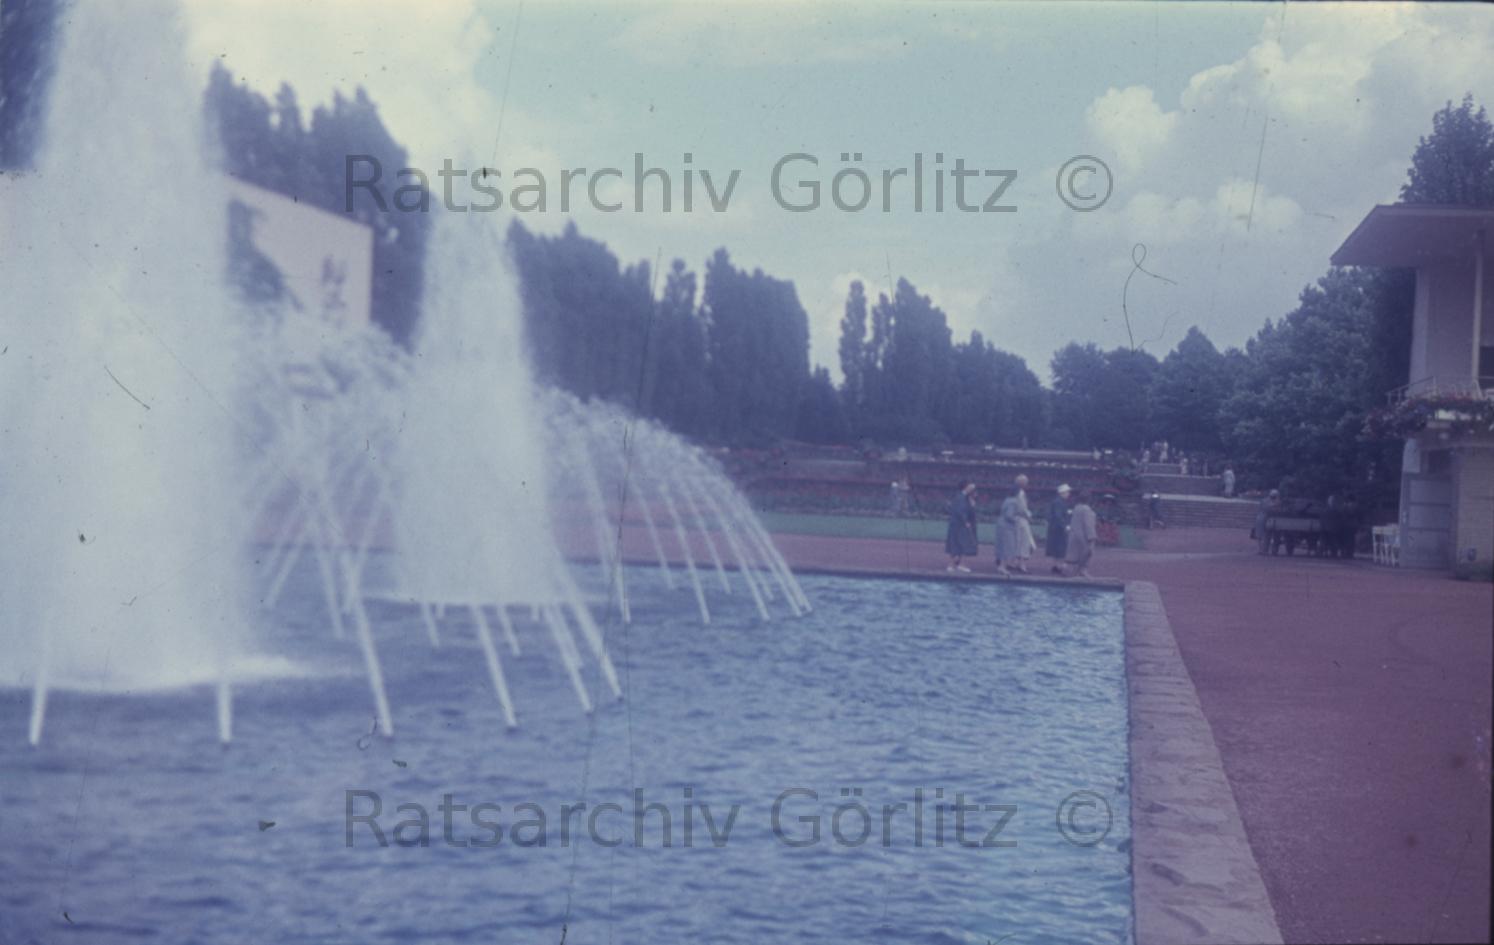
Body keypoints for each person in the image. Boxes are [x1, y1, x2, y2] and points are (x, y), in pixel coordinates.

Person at [1063, 490, 1099, 578]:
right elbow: (1089, 525)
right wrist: (1092, 538)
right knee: (1086, 555)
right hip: (1084, 537)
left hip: (1074, 536)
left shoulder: (1076, 508)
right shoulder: (1087, 510)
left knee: (1074, 557)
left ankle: (1072, 573)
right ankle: (1082, 572)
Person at [945, 482, 978, 572]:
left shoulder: (966, 497)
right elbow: (960, 511)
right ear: (966, 487)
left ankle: (958, 564)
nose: (973, 490)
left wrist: (972, 504)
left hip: (960, 524)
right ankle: (952, 565)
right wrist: (965, 521)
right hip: (958, 525)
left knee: (961, 544)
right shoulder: (960, 497)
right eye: (971, 487)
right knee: (956, 543)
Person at [1046, 484, 1073, 574]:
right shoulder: (1059, 502)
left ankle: (1056, 565)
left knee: (1057, 548)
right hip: (1058, 529)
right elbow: (1058, 516)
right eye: (1067, 492)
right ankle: (1058, 566)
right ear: (1062, 493)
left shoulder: (1060, 502)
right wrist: (1065, 526)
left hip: (1056, 528)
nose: (1069, 493)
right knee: (1060, 548)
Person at [1254, 489, 1280, 555]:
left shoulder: (1276, 501)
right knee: (1263, 535)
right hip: (1263, 519)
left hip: (1271, 520)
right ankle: (1262, 550)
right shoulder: (1266, 501)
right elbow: (1267, 509)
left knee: (1271, 536)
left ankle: (1266, 550)